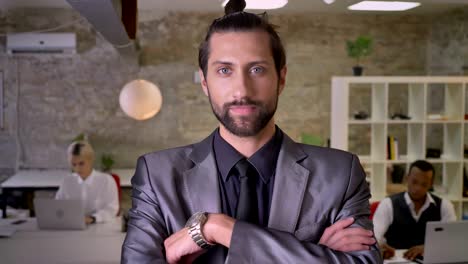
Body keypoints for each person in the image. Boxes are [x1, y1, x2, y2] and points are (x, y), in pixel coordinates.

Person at [122, 1, 380, 263]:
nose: (241, 90)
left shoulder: (340, 173)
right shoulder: (157, 175)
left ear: (281, 79)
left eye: (257, 69)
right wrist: (313, 253)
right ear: (204, 82)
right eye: (224, 70)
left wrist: (217, 228)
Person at [373, 160, 457, 260]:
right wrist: (379, 248)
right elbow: (373, 238)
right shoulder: (388, 204)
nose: (418, 188)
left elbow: (452, 242)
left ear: (431, 185)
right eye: (414, 182)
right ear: (406, 179)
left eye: (424, 184)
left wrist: (427, 248)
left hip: (429, 260)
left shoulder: (444, 206)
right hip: (397, 261)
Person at [55, 140, 119, 224]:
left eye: (81, 163)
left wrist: (93, 218)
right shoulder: (67, 181)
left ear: (91, 159)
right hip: (72, 227)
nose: (77, 169)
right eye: (73, 164)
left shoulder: (107, 181)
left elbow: (112, 209)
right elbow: (57, 206)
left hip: (100, 227)